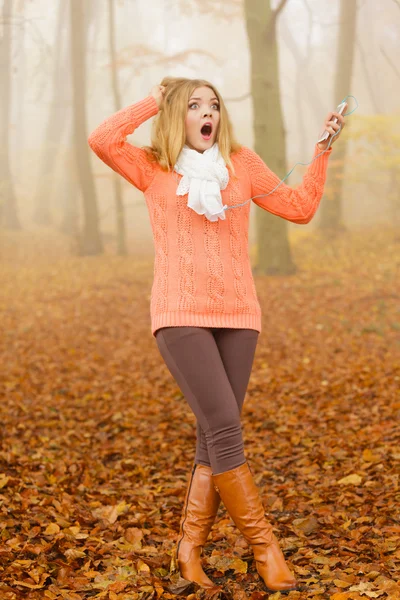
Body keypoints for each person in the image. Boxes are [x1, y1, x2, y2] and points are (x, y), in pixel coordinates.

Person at [87, 76, 346, 592]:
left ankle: (190, 549)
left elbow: (300, 207)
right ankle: (265, 548)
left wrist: (322, 151)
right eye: (194, 106)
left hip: (239, 315)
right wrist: (153, 100)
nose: (208, 113)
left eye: (214, 105)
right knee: (226, 425)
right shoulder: (151, 166)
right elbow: (102, 139)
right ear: (176, 115)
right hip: (179, 313)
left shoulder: (242, 164)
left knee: (213, 435)